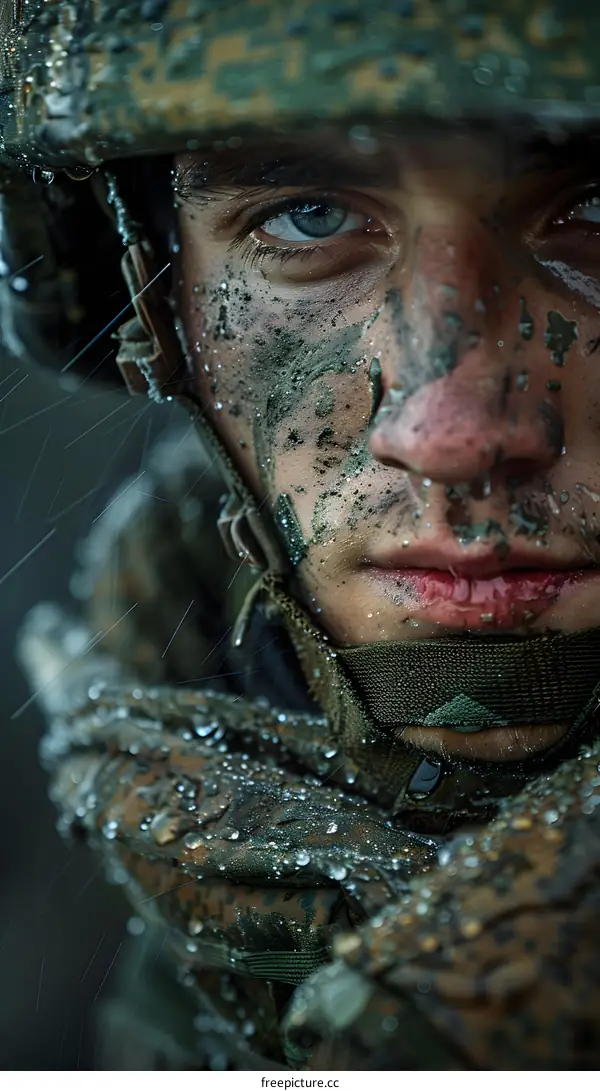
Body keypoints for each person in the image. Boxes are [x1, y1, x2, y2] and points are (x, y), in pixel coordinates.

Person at [4, 0, 600, 1070]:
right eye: (311, 218)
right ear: (160, 308)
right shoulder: (153, 817)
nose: (452, 432)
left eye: (594, 207)